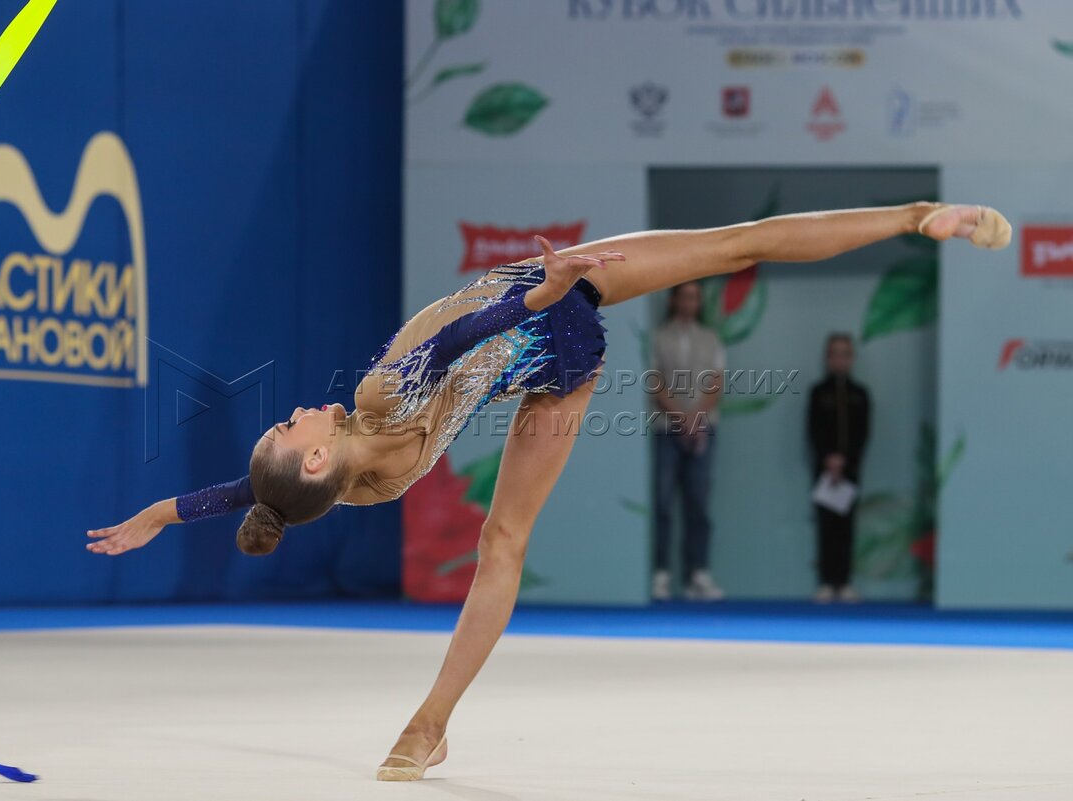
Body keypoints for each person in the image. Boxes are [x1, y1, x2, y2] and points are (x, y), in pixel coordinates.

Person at [86, 203, 1009, 781]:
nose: (291, 412)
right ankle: (430, 724)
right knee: (731, 249)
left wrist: (160, 513)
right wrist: (545, 288)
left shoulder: (349, 485)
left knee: (732, 250)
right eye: (287, 428)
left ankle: (920, 217)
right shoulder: (376, 401)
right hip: (542, 311)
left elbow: (250, 496)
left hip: (548, 334)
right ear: (319, 461)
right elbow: (458, 340)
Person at [650, 282, 725, 601]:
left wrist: (696, 418)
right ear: (673, 300)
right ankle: (661, 574)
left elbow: (717, 382)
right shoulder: (657, 337)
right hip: (666, 429)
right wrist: (681, 417)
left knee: (699, 502)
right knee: (663, 502)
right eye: (685, 296)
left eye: (695, 297)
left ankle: (698, 574)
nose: (690, 302)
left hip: (703, 430)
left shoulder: (711, 338)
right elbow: (654, 381)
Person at [808, 333, 870, 603]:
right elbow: (813, 431)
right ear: (827, 358)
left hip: (849, 471)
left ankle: (844, 581)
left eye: (845, 354)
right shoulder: (818, 392)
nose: (840, 359)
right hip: (824, 472)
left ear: (852, 358)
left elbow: (863, 433)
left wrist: (846, 460)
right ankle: (826, 581)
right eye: (835, 354)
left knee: (846, 527)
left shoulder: (860, 394)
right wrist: (828, 459)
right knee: (826, 526)